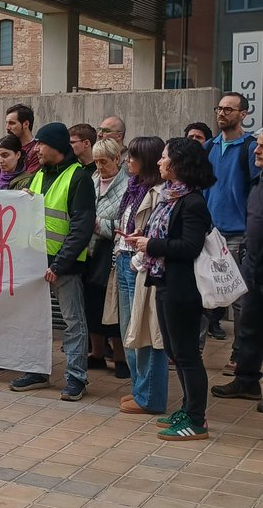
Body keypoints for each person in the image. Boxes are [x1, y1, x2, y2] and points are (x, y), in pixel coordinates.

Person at [125, 138, 215, 440]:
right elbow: (163, 232)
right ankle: (187, 409)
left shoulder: (193, 201)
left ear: (177, 164)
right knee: (176, 352)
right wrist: (142, 235)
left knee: (187, 355)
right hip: (164, 282)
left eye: (164, 158)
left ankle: (196, 419)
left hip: (183, 288)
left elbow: (190, 246)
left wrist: (150, 244)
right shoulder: (171, 197)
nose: (160, 163)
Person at [10, 122, 95, 401]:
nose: (36, 149)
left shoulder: (79, 178)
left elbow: (81, 227)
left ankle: (76, 378)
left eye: (40, 144)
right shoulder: (37, 176)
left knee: (73, 322)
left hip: (63, 266)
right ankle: (36, 371)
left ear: (55, 147)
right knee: (34, 320)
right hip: (36, 262)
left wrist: (59, 264)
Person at [108, 137, 169, 417]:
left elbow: (156, 234)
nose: (127, 161)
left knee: (145, 331)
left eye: (132, 156)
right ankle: (139, 389)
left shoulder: (159, 192)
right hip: (123, 261)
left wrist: (136, 255)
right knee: (128, 331)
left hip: (140, 265)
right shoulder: (132, 189)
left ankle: (149, 396)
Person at [212, 128, 263, 413]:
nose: (256, 150)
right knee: (250, 328)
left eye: (262, 147)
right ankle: (246, 380)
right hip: (253, 265)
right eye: (257, 146)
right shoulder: (258, 181)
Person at [203, 93, 259, 349]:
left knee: (240, 299)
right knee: (202, 292)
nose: (222, 113)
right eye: (219, 108)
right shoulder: (210, 147)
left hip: (237, 234)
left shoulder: (250, 147)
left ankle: (239, 357)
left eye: (229, 109)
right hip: (207, 233)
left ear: (243, 114)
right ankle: (195, 348)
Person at [84, 138, 128, 377]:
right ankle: (97, 353)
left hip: (110, 253)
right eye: (97, 161)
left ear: (116, 160)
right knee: (91, 303)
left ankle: (121, 357)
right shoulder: (92, 180)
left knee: (113, 305)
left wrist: (98, 225)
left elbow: (126, 223)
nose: (100, 166)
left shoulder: (127, 187)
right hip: (90, 251)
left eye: (104, 161)